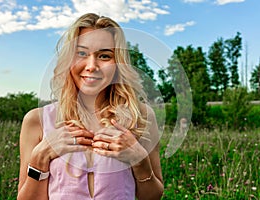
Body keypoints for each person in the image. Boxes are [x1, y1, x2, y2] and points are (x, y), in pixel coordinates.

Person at [17, 13, 164, 200]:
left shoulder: (141, 116)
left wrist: (140, 161)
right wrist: (40, 157)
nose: (91, 65)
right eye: (81, 53)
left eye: (104, 56)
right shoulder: (36, 120)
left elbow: (152, 196)